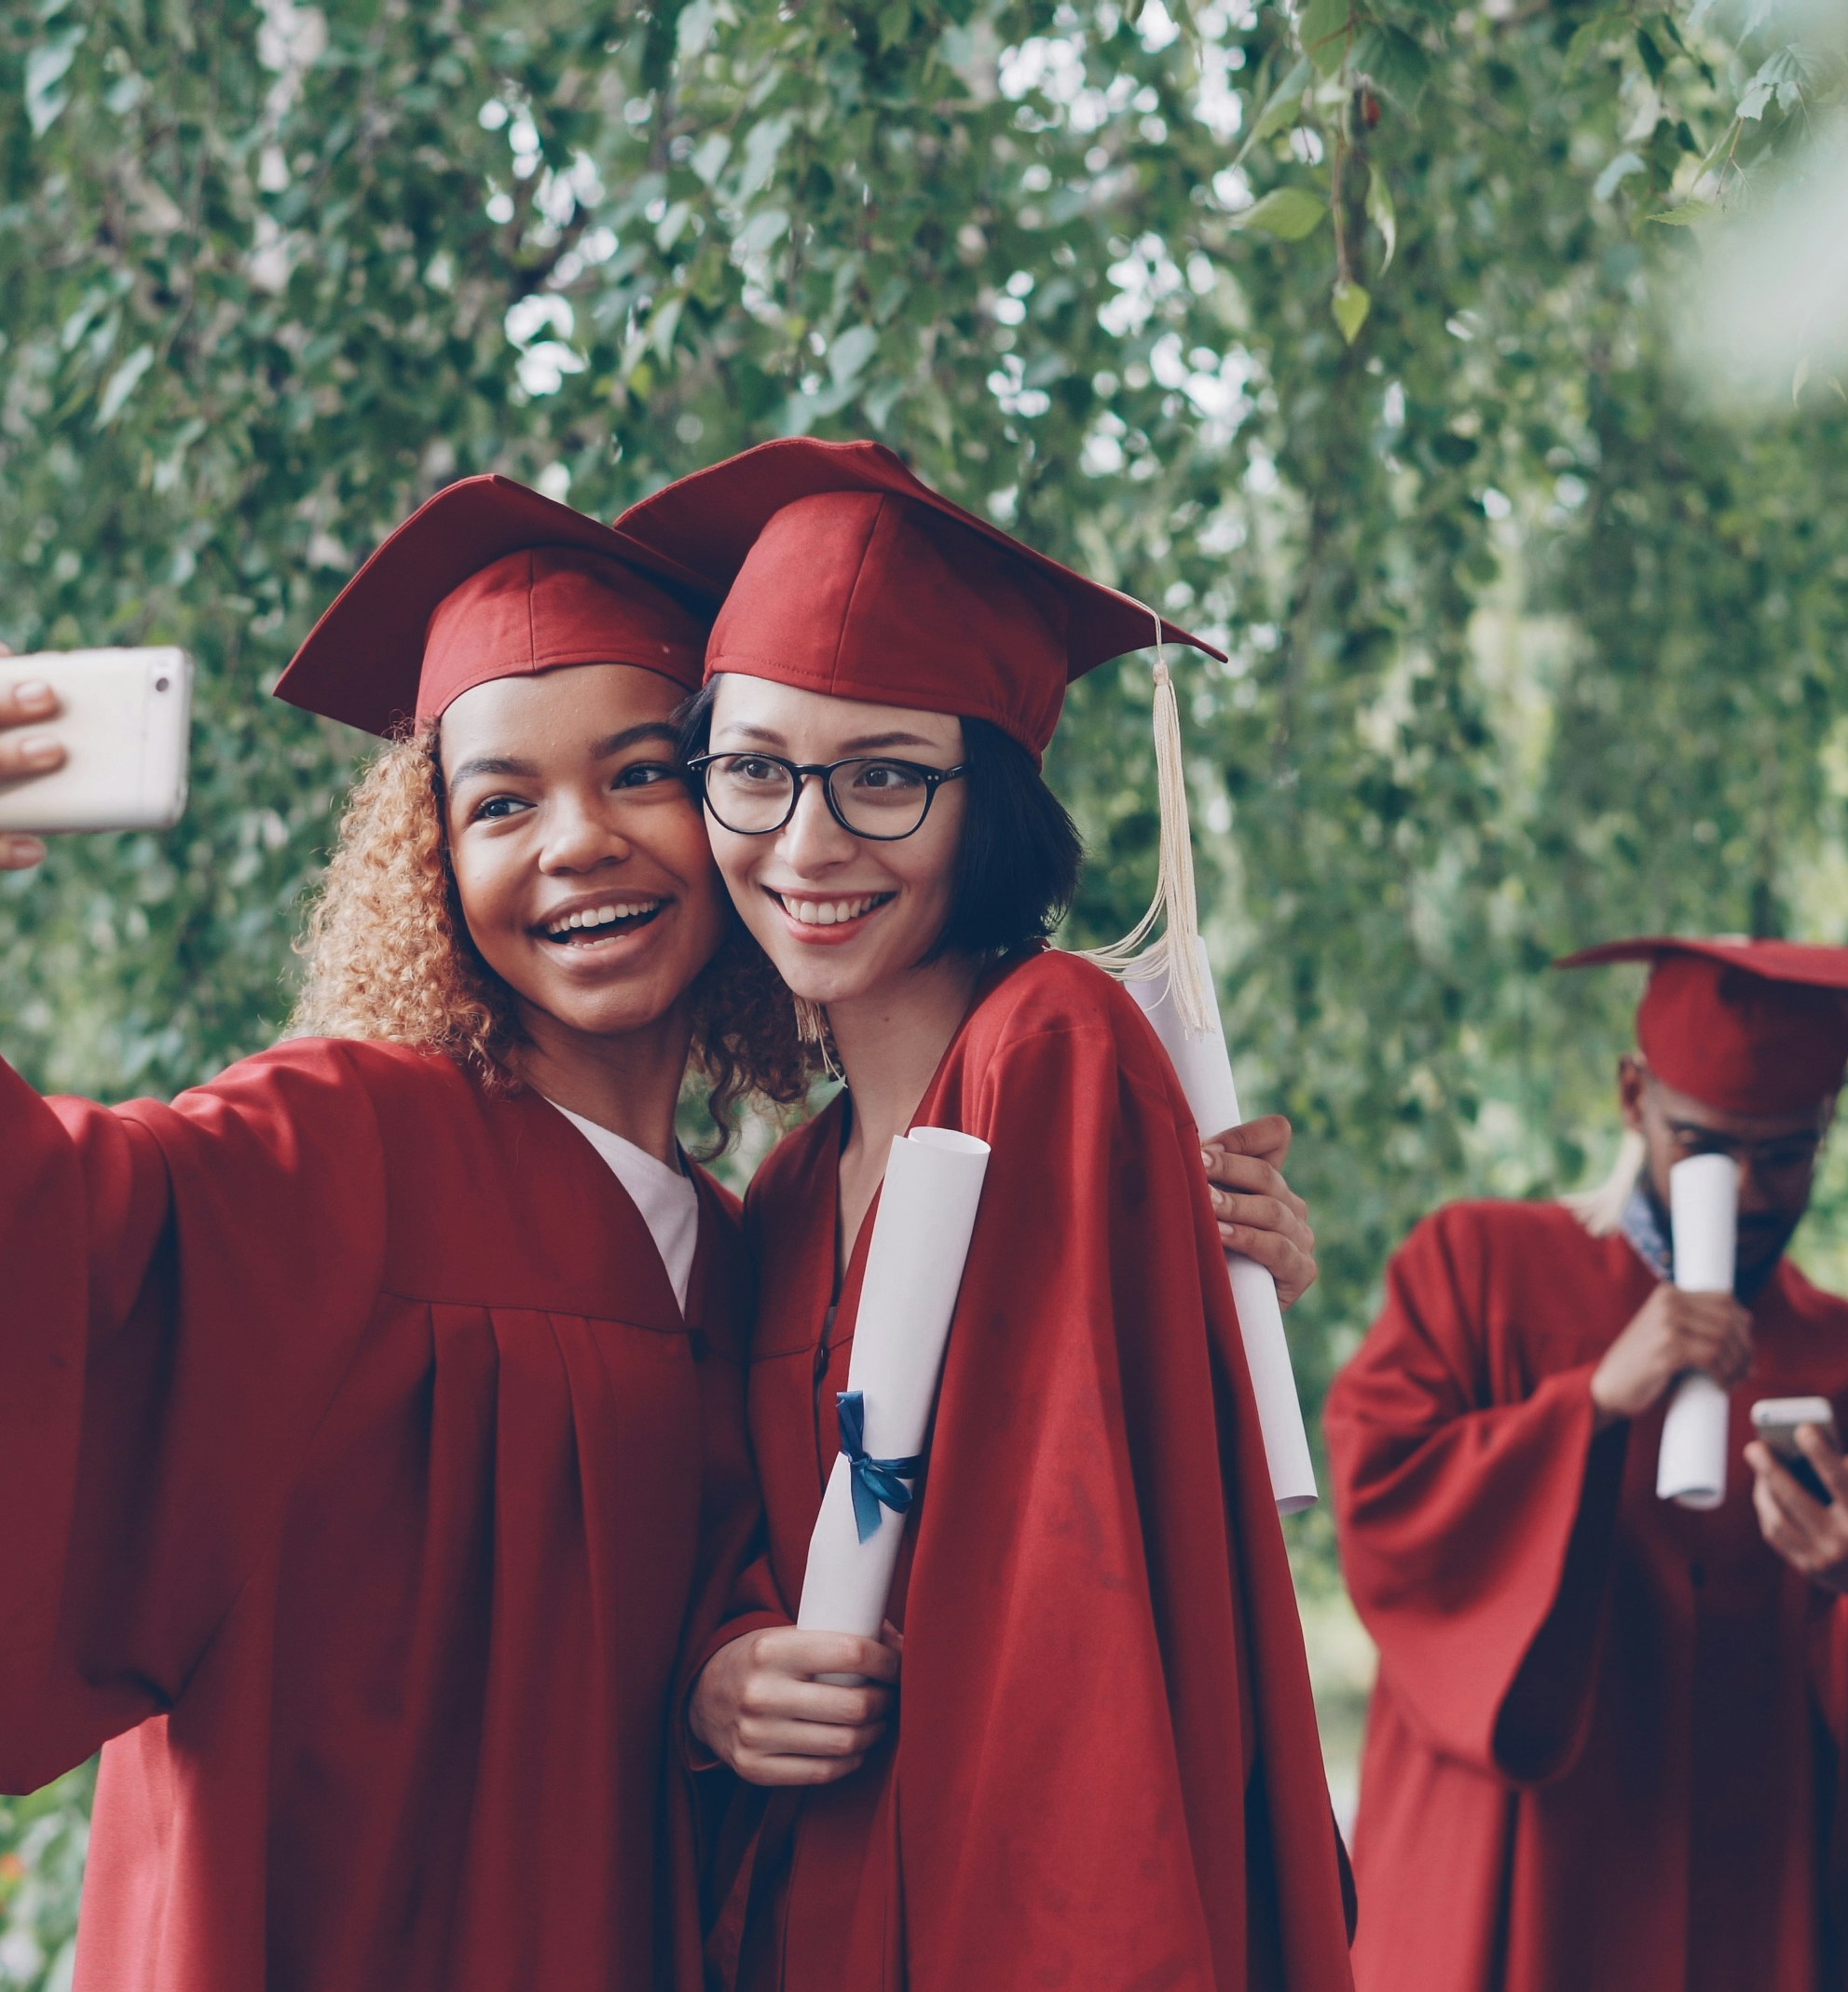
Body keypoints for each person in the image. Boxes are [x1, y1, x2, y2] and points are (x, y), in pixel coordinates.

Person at [0, 477, 809, 1989]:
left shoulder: (743, 1245)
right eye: (500, 800)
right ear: (429, 864)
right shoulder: (350, 1142)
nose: (578, 842)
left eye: (642, 772)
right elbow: (57, 1212)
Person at [614, 438, 1356, 1992]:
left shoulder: (1053, 1047)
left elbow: (1069, 1647)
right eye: (754, 767)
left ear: (987, 803)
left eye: (887, 774)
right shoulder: (789, 1185)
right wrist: (725, 1674)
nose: (808, 842)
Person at [1328, 935, 1848, 1992]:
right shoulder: (1477, 1268)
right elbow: (1382, 1507)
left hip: (1748, 1898)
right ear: (1633, 1094)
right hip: (1518, 1881)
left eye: (1787, 1152)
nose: (1752, 1190)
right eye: (1708, 1145)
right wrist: (1588, 1401)